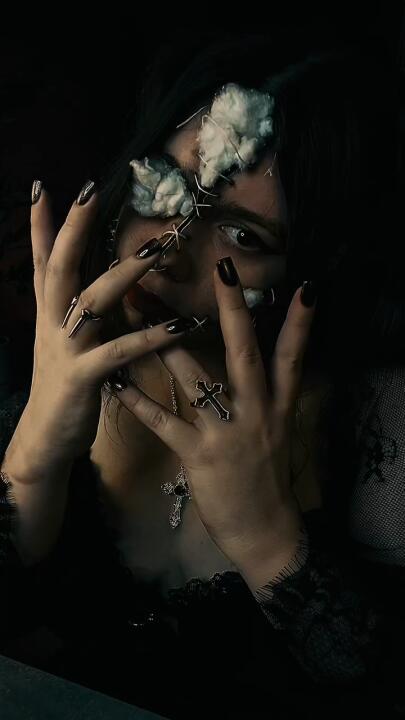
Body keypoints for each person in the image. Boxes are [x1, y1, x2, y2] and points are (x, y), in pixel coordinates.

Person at [1, 36, 404, 719]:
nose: (171, 252)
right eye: (167, 184)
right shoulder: (59, 355)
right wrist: (33, 458)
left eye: (243, 237)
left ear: (313, 266)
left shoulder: (379, 426)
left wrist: (269, 542)